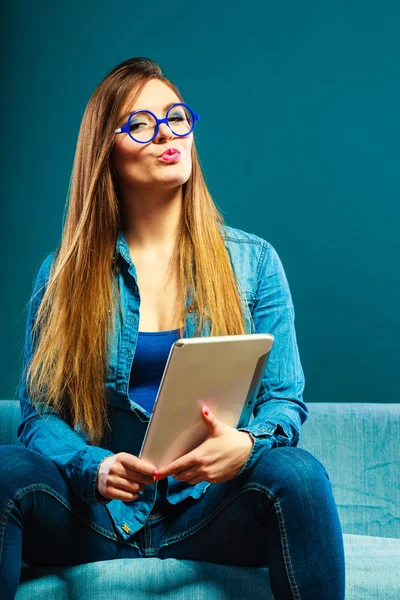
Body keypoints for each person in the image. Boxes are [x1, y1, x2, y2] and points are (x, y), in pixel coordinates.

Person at [0, 57, 345, 600]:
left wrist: (245, 445)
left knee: (299, 475)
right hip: (95, 517)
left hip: (207, 513)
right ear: (105, 152)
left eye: (176, 117)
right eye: (141, 124)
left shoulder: (254, 263)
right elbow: (39, 416)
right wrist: (93, 467)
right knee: (4, 468)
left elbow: (285, 400)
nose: (168, 135)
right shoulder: (62, 274)